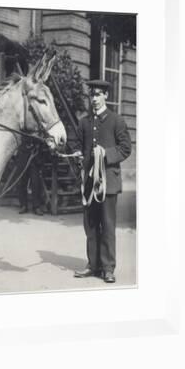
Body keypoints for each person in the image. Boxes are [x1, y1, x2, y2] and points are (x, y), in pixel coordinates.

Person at [73, 80, 132, 284]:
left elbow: (126, 148)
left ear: (106, 96)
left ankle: (108, 268)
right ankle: (93, 265)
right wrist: (79, 153)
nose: (94, 99)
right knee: (91, 225)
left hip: (108, 183)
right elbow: (78, 144)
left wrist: (105, 154)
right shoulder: (84, 122)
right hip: (90, 184)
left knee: (107, 225)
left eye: (98, 94)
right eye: (92, 95)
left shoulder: (116, 120)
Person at [15, 138, 45, 216]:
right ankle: (23, 205)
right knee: (21, 182)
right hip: (23, 158)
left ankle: (36, 206)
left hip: (35, 159)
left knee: (36, 183)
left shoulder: (38, 127)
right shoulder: (22, 127)